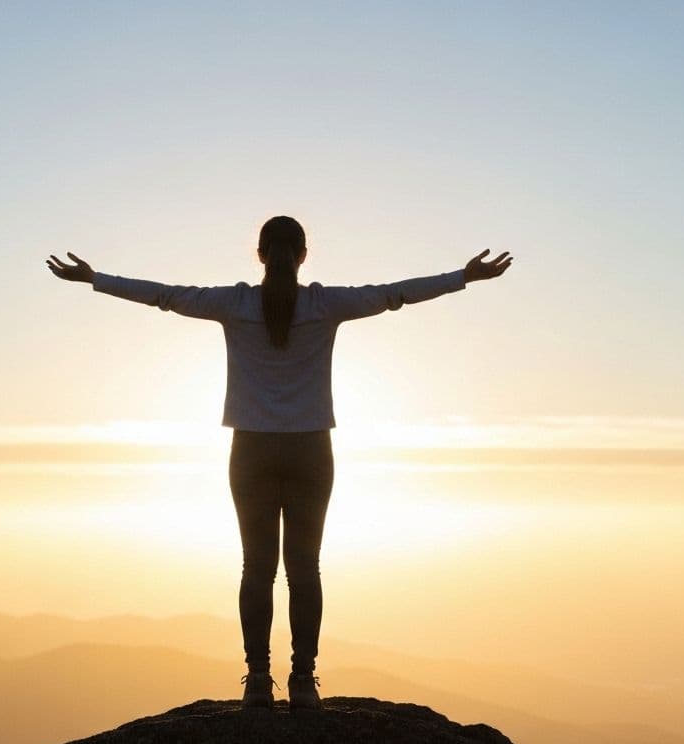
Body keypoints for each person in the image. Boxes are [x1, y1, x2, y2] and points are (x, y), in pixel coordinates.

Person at [45, 215, 512, 710]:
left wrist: (95, 279)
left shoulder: (235, 302)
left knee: (257, 568)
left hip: (251, 450)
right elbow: (394, 294)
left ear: (261, 254)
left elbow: (165, 295)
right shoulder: (324, 303)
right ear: (303, 255)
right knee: (304, 569)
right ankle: (304, 681)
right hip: (311, 448)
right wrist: (462, 277)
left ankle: (258, 681)